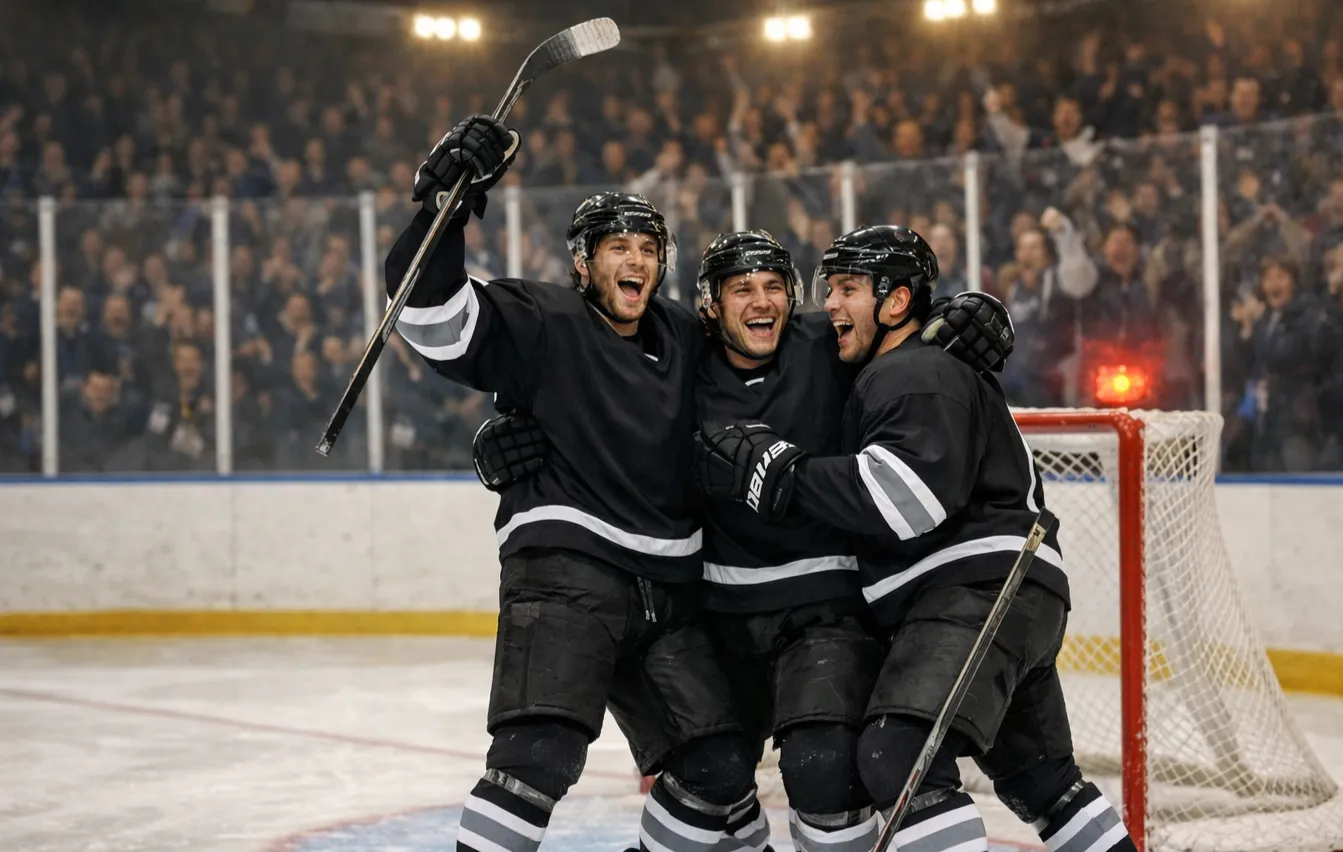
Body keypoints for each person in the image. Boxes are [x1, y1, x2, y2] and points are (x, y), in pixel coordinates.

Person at [472, 230, 1015, 852]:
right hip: (719, 614)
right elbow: (592, 379)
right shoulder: (679, 355)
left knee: (824, 770)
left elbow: (889, 324)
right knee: (711, 771)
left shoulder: (824, 346)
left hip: (822, 609)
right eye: (742, 289)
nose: (762, 301)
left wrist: (956, 315)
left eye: (774, 287)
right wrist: (513, 432)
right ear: (709, 306)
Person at [694, 226, 1138, 852]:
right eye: (829, 289)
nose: (832, 307)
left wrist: (781, 475)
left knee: (897, 754)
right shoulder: (910, 364)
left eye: (848, 289)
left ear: (896, 302)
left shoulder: (911, 370)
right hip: (1007, 591)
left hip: (972, 590)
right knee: (1042, 781)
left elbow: (908, 501)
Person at [387, 114, 759, 852]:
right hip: (567, 575)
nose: (637, 260)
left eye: (649, 248)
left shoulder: (684, 335)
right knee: (536, 762)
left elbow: (772, 356)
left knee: (720, 766)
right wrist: (443, 207)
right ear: (583, 263)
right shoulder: (542, 319)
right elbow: (430, 319)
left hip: (669, 591)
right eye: (618, 246)